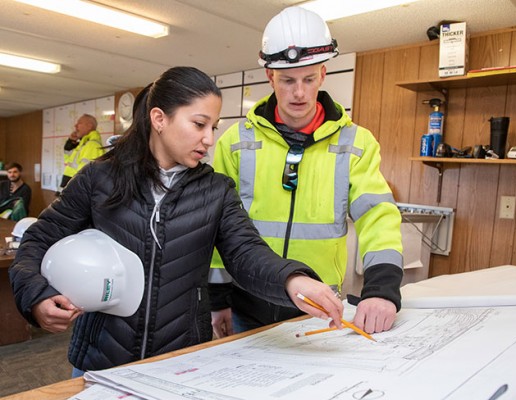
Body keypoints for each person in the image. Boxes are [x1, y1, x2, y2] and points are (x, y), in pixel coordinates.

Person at [9, 66, 344, 377]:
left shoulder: (216, 190)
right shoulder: (100, 178)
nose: (209, 140)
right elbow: (38, 241)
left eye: (212, 128)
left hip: (180, 362)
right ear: (159, 119)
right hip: (101, 362)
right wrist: (36, 296)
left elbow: (247, 253)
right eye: (199, 125)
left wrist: (292, 280)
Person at [209, 6, 403, 338]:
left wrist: (382, 289)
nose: (299, 92)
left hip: (317, 310)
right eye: (287, 80)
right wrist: (216, 298)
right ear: (270, 77)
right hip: (245, 305)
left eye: (309, 79)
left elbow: (377, 216)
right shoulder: (235, 142)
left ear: (323, 74)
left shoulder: (355, 142)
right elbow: (216, 228)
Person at [56, 113, 104, 194]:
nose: (75, 126)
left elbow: (86, 175)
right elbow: (68, 159)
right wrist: (71, 142)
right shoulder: (83, 144)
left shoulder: (92, 145)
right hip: (69, 192)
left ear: (89, 126)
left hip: (75, 194)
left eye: (79, 123)